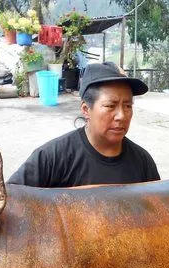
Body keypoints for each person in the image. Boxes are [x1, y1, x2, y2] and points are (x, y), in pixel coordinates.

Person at [8, 62, 160, 187]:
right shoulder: (52, 157)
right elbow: (11, 199)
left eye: (127, 106)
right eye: (110, 106)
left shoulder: (142, 162)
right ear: (86, 109)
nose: (121, 116)